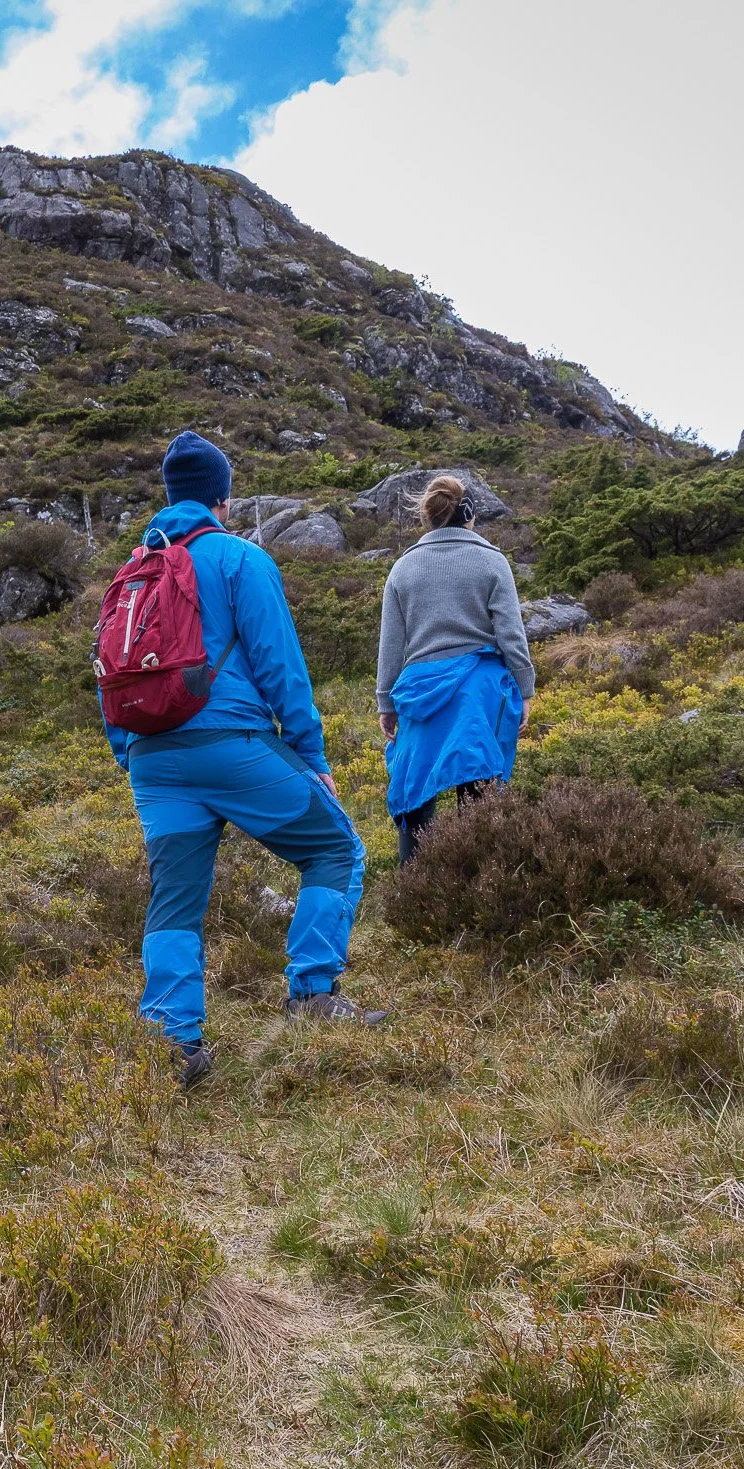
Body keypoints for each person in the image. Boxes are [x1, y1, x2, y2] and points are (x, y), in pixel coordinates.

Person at [105, 430, 383, 1090]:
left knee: (174, 899)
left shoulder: (133, 572)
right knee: (336, 848)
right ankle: (314, 993)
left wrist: (132, 755)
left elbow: (109, 676)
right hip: (231, 747)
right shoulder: (239, 560)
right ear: (223, 499)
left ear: (171, 496)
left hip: (152, 756)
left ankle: (174, 1042)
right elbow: (281, 668)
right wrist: (312, 756)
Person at [374, 474, 536, 864]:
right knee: (477, 790)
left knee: (415, 796)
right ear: (469, 514)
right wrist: (525, 688)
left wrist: (385, 701)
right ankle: (479, 888)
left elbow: (391, 643)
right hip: (477, 692)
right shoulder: (492, 561)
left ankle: (414, 894)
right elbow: (511, 635)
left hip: (419, 694)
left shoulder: (402, 569)